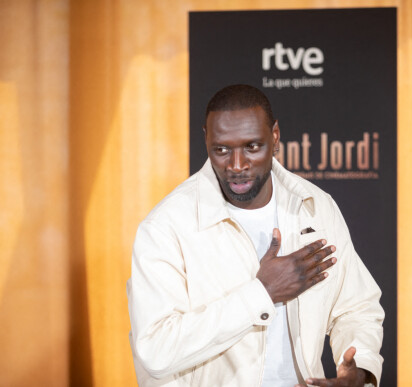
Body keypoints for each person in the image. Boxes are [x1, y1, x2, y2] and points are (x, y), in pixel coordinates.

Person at [127, 84, 384, 387]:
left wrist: (359, 370)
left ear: (275, 136)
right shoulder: (166, 226)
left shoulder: (315, 207)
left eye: (252, 146)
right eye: (221, 149)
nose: (237, 165)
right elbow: (155, 350)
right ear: (206, 139)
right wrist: (262, 292)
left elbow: (356, 308)